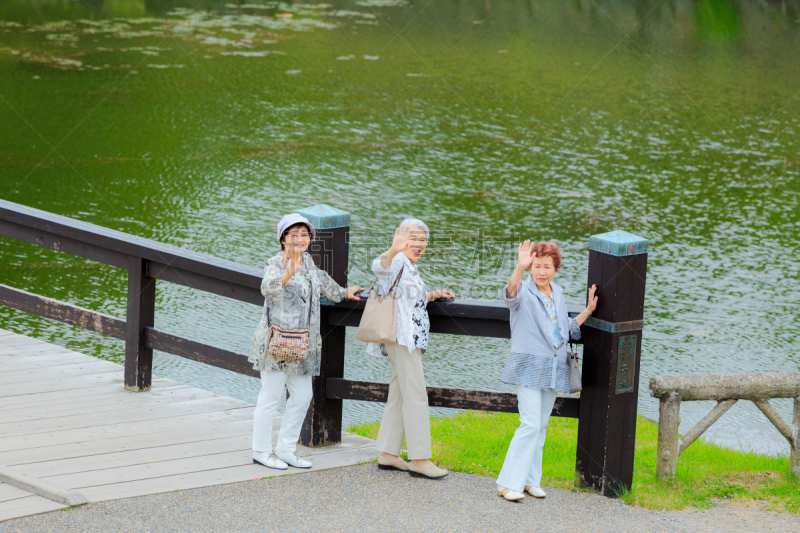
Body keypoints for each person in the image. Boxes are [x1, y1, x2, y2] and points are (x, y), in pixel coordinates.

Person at [248, 214, 362, 470]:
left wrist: (345, 292)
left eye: (304, 234)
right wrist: (288, 273)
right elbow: (267, 288)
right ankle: (261, 451)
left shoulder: (309, 262)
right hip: (277, 342)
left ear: (310, 238)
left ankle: (286, 450)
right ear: (283, 239)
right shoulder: (275, 262)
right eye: (293, 234)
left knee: (302, 395)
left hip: (302, 345)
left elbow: (324, 284)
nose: (300, 239)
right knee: (270, 397)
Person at [496, 240, 598, 501]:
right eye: (536, 265)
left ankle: (530, 481)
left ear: (556, 268)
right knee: (529, 424)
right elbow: (510, 297)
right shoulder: (524, 291)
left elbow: (563, 330)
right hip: (529, 366)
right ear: (530, 266)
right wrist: (518, 268)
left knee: (541, 425)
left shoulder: (558, 293)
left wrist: (587, 311)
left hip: (554, 369)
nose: (541, 271)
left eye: (547, 266)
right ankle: (508, 483)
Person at [366, 219, 455, 479]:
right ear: (399, 237)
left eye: (422, 239)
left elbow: (410, 299)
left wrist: (433, 294)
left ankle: (388, 454)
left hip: (408, 339)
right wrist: (393, 249)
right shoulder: (395, 261)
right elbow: (378, 267)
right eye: (412, 238)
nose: (417, 244)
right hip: (402, 339)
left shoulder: (410, 267)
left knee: (400, 393)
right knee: (416, 395)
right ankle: (419, 459)